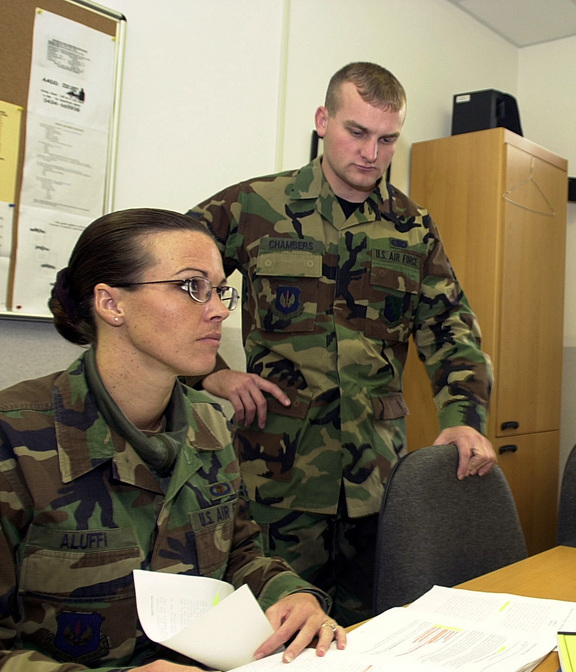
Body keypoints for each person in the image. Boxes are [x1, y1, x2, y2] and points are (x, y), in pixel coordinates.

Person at [186, 62, 496, 624]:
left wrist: (464, 416)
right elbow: (163, 288)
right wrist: (210, 373)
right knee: (269, 635)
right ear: (324, 120)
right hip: (275, 478)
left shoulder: (412, 226)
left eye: (387, 139)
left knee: (369, 632)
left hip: (377, 482)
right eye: (357, 132)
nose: (371, 153)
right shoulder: (253, 207)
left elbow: (451, 328)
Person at [0, 209, 346, 672]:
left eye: (219, 289)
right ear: (111, 303)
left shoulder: (209, 422)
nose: (219, 309)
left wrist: (292, 594)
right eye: (190, 286)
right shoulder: (15, 437)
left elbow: (239, 552)